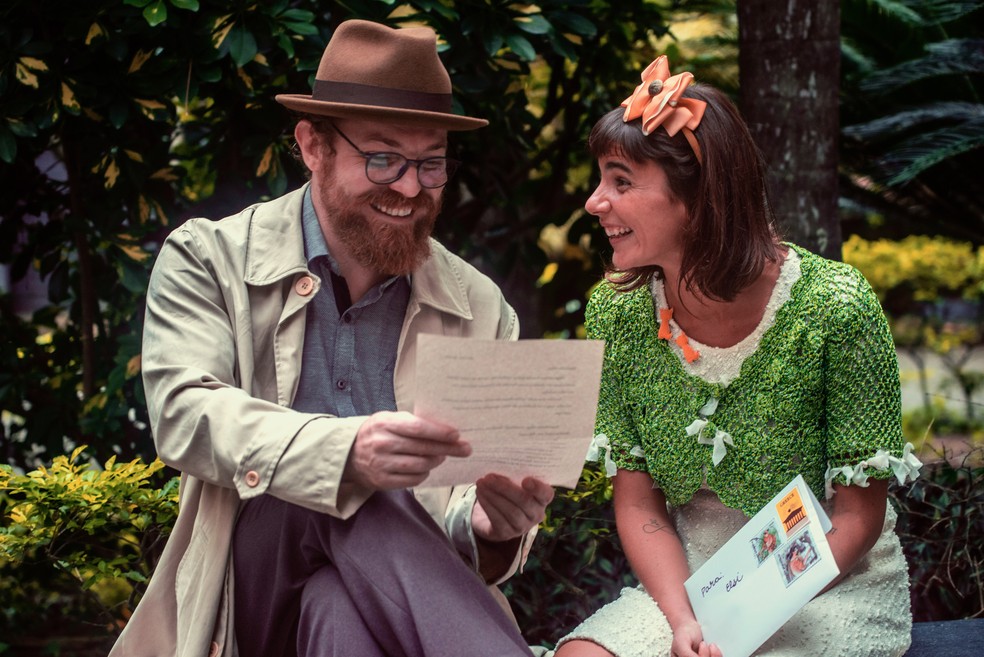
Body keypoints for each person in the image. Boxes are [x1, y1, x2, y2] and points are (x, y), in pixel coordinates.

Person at [109, 19, 555, 657]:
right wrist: (345, 451)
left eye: (431, 165)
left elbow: (462, 505)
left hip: (377, 614)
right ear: (313, 146)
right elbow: (184, 413)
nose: (409, 187)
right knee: (349, 490)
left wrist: (485, 526)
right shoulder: (208, 257)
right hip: (248, 604)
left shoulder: (479, 306)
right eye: (383, 158)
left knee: (335, 606)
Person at [554, 56, 923, 657]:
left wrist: (747, 619)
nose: (595, 203)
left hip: (825, 583)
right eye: (601, 180)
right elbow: (638, 500)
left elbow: (859, 515)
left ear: (700, 197)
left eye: (621, 182)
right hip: (690, 585)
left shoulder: (835, 307)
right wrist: (685, 622)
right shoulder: (618, 315)